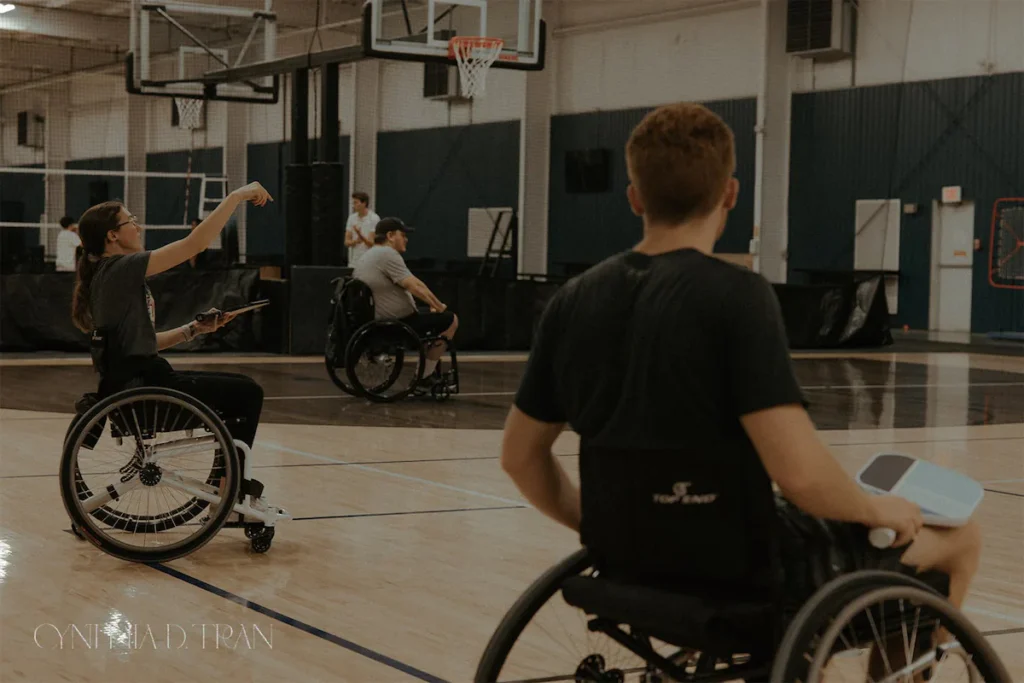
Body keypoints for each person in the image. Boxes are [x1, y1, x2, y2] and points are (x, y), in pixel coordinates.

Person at [500, 103, 981, 631]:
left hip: (628, 557)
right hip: (742, 571)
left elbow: (521, 457)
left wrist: (598, 525)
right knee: (959, 540)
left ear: (635, 198)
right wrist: (879, 510)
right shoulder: (736, 296)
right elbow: (799, 475)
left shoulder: (572, 300)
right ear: (730, 193)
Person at [71, 182, 274, 502]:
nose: (138, 226)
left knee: (241, 388)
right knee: (248, 392)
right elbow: (195, 244)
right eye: (130, 220)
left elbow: (142, 344)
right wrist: (236, 197)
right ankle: (229, 491)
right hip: (148, 387)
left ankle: (226, 486)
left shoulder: (108, 273)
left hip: (136, 382)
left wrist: (194, 330)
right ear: (112, 235)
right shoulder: (121, 268)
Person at [351, 217, 458, 382]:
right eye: (403, 235)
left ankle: (424, 368)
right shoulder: (387, 254)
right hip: (396, 324)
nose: (406, 239)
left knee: (429, 318)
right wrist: (439, 306)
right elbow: (415, 285)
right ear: (391, 235)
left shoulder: (369, 255)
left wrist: (432, 304)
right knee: (451, 320)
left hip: (376, 321)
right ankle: (424, 377)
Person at [345, 191, 379, 266]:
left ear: (364, 203)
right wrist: (355, 241)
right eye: (353, 203)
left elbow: (371, 243)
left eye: (356, 203)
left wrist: (360, 235)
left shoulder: (374, 218)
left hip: (369, 262)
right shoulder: (351, 218)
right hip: (354, 262)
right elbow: (347, 242)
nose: (353, 206)